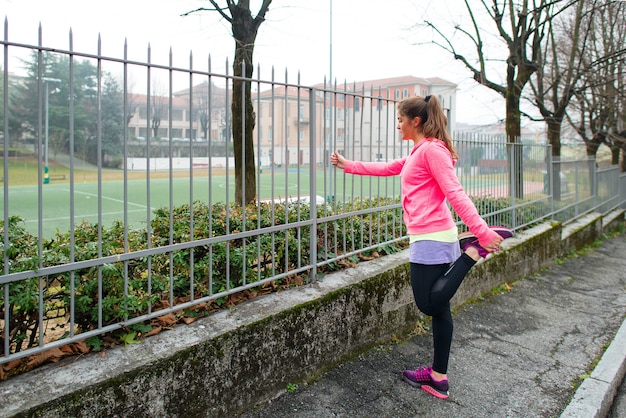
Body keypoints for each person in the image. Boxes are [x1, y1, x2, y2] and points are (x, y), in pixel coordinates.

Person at [330, 95, 513, 400]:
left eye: (400, 119)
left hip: (431, 236)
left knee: (428, 304)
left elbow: (455, 193)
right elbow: (388, 167)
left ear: (415, 121)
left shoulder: (431, 151)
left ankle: (471, 252)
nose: (397, 124)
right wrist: (349, 165)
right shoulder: (419, 151)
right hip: (432, 235)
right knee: (440, 310)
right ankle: (438, 377)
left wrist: (481, 233)